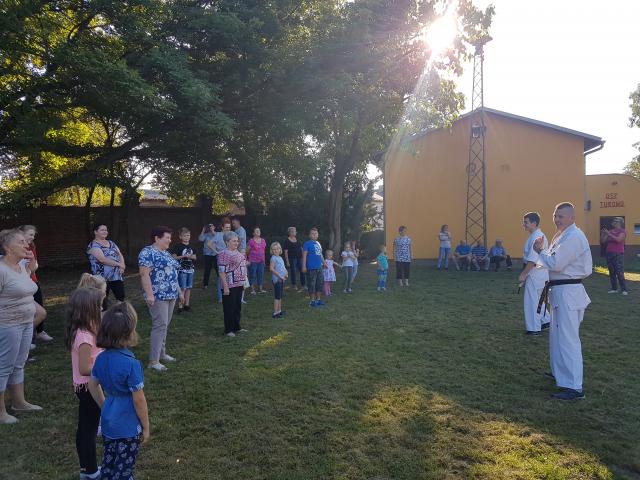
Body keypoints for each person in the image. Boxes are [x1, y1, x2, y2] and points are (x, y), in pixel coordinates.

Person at [533, 202, 592, 401]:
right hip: (560, 290)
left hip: (569, 291)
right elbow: (552, 260)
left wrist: (540, 251)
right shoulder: (562, 236)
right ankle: (560, 373)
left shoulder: (574, 236)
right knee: (557, 337)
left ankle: (574, 386)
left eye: (561, 216)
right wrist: (543, 252)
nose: (557, 219)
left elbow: (556, 263)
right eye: (555, 215)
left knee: (568, 339)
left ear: (572, 218)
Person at [88, 302, 149, 480]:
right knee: (124, 469)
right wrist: (146, 426)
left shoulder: (100, 358)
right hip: (127, 425)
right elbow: (139, 400)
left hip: (109, 419)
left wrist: (105, 405)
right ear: (129, 333)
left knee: (109, 462)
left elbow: (92, 385)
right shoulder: (131, 364)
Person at [0, 229, 42, 425]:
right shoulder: (1, 270)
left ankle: (19, 403)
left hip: (25, 323)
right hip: (8, 324)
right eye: (21, 242)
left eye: (27, 241)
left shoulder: (22, 266)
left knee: (19, 363)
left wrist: (31, 265)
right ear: (7, 247)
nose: (27, 245)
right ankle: (1, 412)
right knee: (4, 366)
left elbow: (27, 286)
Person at [65, 288, 104, 479]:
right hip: (88, 388)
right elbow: (84, 368)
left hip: (89, 386)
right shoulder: (84, 336)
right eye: (98, 306)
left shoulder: (88, 329)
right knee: (88, 430)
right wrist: (105, 367)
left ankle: (86, 468)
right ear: (88, 310)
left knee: (86, 427)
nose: (101, 308)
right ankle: (91, 471)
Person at [138, 226, 182, 372]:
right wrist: (150, 294)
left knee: (164, 325)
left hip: (171, 294)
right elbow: (144, 274)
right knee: (160, 325)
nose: (170, 240)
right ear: (157, 238)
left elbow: (172, 273)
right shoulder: (147, 252)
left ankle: (161, 354)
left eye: (170, 238)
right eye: (167, 238)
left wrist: (179, 292)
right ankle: (153, 361)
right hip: (158, 295)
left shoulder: (165, 253)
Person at [19, 225, 52, 342]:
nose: (32, 237)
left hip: (33, 280)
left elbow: (34, 266)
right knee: (27, 309)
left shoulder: (32, 246)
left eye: (33, 235)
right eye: (30, 234)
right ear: (21, 234)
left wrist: (32, 267)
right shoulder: (15, 248)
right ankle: (24, 334)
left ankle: (39, 331)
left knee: (39, 305)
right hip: (21, 283)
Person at [518, 212, 550, 335]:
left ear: (534, 223)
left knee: (531, 301)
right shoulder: (538, 235)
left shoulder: (537, 237)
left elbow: (532, 259)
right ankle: (546, 320)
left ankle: (533, 328)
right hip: (541, 272)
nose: (524, 224)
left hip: (535, 272)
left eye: (526, 222)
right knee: (538, 299)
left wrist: (523, 274)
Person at [87, 224, 126, 309]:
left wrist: (122, 265)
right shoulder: (93, 245)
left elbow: (119, 254)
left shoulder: (111, 243)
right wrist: (119, 264)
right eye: (102, 230)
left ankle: (120, 314)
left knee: (120, 296)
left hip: (116, 275)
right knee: (102, 299)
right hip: (101, 277)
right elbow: (102, 259)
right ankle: (102, 315)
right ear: (95, 232)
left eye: (106, 230)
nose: (105, 232)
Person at [218, 231, 249, 336]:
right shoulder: (223, 254)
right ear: (227, 242)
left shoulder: (238, 252)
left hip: (239, 284)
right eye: (234, 241)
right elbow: (222, 271)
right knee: (229, 308)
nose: (236, 243)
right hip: (229, 285)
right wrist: (225, 287)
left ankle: (237, 327)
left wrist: (244, 282)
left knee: (237, 307)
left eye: (237, 241)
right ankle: (229, 330)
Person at [170, 227, 197, 313]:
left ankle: (187, 305)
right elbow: (173, 257)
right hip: (181, 270)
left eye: (188, 235)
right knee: (183, 288)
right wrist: (183, 256)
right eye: (185, 236)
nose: (187, 237)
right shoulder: (177, 246)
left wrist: (191, 257)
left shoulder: (192, 246)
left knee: (189, 287)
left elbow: (195, 257)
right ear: (180, 237)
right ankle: (180, 306)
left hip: (190, 269)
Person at [601, 217, 628, 295]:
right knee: (612, 271)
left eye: (616, 221)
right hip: (609, 253)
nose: (614, 222)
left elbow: (618, 240)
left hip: (618, 253)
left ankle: (624, 290)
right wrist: (603, 233)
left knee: (619, 272)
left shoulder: (622, 231)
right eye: (613, 221)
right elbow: (603, 241)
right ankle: (614, 289)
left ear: (620, 223)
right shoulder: (610, 231)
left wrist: (609, 234)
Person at [302, 227, 325, 307]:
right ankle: (312, 301)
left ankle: (318, 300)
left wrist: (324, 262)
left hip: (319, 267)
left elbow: (320, 254)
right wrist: (304, 266)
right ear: (309, 235)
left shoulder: (318, 244)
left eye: (315, 233)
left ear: (318, 235)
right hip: (311, 268)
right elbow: (304, 255)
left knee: (319, 284)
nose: (314, 235)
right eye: (312, 233)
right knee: (312, 284)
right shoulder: (307, 244)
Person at [212, 219, 232, 303]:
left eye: (229, 227)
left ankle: (228, 294)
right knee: (221, 277)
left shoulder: (231, 234)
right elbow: (209, 243)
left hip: (230, 258)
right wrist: (216, 252)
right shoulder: (218, 235)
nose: (228, 229)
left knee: (229, 276)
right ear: (222, 227)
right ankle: (220, 297)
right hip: (221, 259)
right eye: (226, 227)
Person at [269, 242, 288, 318]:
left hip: (282, 279)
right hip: (277, 280)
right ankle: (275, 313)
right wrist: (279, 276)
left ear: (280, 249)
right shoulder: (273, 258)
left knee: (280, 296)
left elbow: (283, 267)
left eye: (277, 249)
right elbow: (271, 269)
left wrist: (286, 273)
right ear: (272, 250)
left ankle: (279, 311)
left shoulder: (280, 258)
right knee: (277, 297)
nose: (276, 250)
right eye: (274, 249)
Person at [247, 226, 267, 295]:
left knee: (261, 274)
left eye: (259, 230)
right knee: (252, 275)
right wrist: (248, 259)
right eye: (256, 231)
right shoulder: (251, 241)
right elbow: (247, 251)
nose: (258, 232)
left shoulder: (263, 240)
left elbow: (263, 251)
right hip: (253, 261)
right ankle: (252, 290)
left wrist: (264, 261)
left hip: (261, 261)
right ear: (253, 233)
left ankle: (260, 289)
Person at [283, 227, 305, 291]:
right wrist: (287, 261)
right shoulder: (287, 241)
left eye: (294, 231)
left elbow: (301, 248)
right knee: (293, 272)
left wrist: (303, 257)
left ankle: (303, 285)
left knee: (302, 271)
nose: (293, 232)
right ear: (289, 233)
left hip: (299, 258)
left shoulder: (298, 239)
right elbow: (285, 252)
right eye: (292, 231)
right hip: (292, 259)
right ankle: (294, 285)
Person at [198, 223, 218, 289]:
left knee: (217, 269)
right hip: (207, 254)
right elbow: (200, 239)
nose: (210, 227)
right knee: (207, 269)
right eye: (209, 226)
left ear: (214, 227)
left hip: (215, 254)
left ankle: (221, 281)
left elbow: (218, 238)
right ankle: (205, 284)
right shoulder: (206, 235)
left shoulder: (217, 234)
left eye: (212, 226)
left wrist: (212, 231)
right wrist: (203, 230)